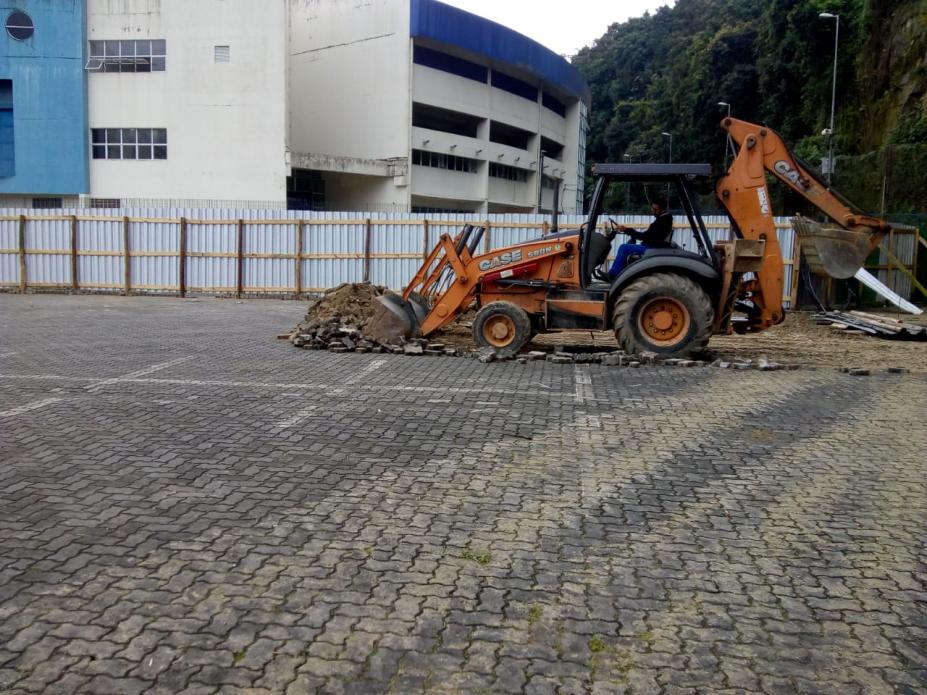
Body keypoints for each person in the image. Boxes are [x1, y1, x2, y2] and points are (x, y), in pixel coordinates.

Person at [606, 201, 674, 277]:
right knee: (629, 244)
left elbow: (644, 236)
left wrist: (627, 230)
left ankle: (613, 275)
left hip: (652, 248)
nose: (653, 212)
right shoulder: (664, 219)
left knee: (624, 248)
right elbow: (648, 235)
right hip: (653, 246)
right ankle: (622, 275)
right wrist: (630, 232)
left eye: (656, 210)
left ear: (662, 209)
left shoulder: (662, 221)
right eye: (652, 209)